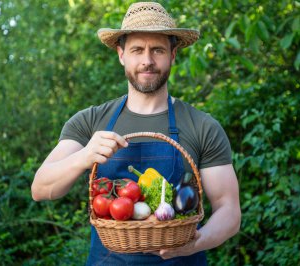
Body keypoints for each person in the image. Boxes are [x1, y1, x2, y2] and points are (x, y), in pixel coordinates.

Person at [31, 2, 241, 265]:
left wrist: (193, 244)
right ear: (121, 55)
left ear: (173, 54)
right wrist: (84, 157)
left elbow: (229, 211)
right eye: (137, 50)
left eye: (158, 50)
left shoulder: (202, 127)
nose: (147, 61)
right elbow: (41, 189)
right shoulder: (91, 121)